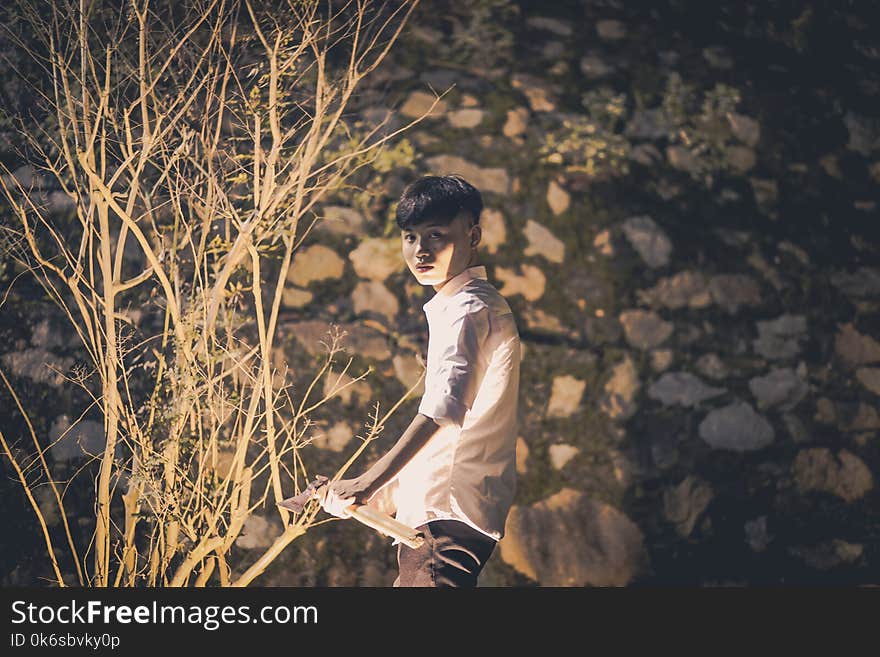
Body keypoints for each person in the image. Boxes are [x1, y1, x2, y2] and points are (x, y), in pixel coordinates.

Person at [319, 174, 521, 587]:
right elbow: (447, 434)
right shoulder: (460, 307)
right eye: (410, 237)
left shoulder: (468, 309)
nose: (421, 250)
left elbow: (441, 413)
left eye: (436, 235)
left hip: (443, 523)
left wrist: (366, 481)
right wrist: (382, 496)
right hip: (437, 523)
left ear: (473, 235)